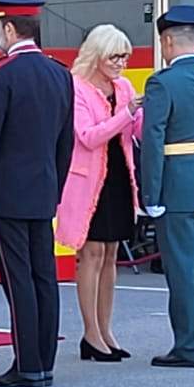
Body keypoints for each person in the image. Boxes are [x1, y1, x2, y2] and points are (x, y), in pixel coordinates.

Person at [0, 0, 74, 387]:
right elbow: (65, 142)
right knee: (44, 275)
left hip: (5, 193)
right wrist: (55, 187)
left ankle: (26, 363)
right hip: (43, 189)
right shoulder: (60, 74)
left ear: (9, 30)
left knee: (18, 279)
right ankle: (44, 360)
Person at [139, 5, 194, 369]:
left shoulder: (161, 83)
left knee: (184, 269)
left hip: (177, 183)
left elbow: (153, 141)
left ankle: (189, 345)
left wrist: (151, 194)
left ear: (167, 40)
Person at [54, 23, 140, 362]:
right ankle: (90, 332)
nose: (121, 63)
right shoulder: (77, 88)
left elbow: (132, 129)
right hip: (89, 178)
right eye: (114, 56)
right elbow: (88, 136)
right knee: (91, 254)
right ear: (97, 55)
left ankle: (106, 329)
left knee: (111, 253)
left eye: (125, 57)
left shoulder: (124, 86)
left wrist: (145, 113)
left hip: (119, 172)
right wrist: (127, 114)